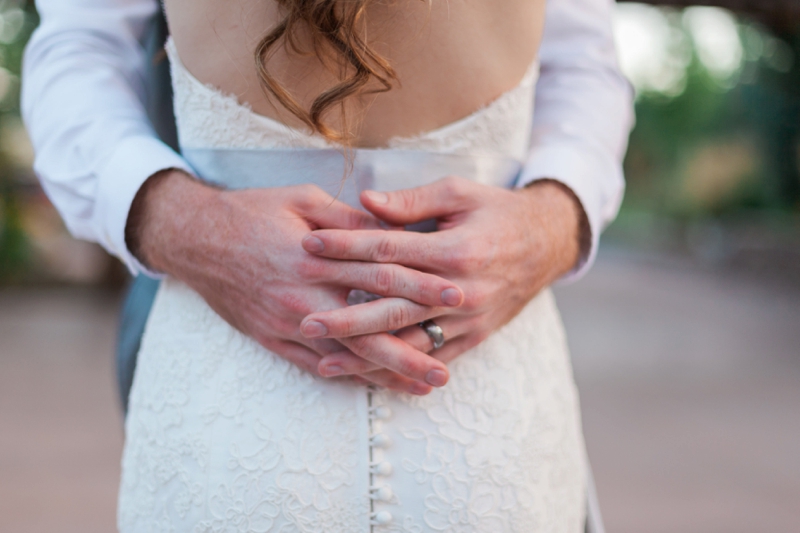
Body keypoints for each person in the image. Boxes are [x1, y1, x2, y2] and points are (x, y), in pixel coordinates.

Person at [22, 0, 633, 531]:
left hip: (495, 429)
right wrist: (175, 218)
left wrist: (554, 217)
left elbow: (585, 68)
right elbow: (78, 52)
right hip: (226, 413)